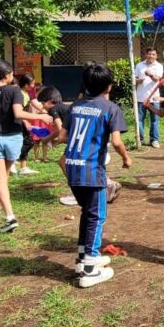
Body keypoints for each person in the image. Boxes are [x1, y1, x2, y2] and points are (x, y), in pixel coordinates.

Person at [58, 62, 132, 288]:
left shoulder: (75, 106)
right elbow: (117, 141)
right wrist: (126, 158)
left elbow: (62, 136)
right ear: (109, 86)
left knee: (87, 213)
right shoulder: (110, 108)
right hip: (92, 171)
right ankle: (89, 269)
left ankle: (83, 258)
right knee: (97, 216)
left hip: (72, 167)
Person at [0, 59, 45, 233]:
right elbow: (18, 113)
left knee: (0, 178)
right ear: (7, 75)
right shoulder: (14, 90)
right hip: (13, 138)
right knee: (4, 177)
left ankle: (9, 217)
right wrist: (42, 116)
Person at [134, 48, 164, 148]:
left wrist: (150, 74)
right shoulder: (139, 65)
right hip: (140, 97)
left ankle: (154, 140)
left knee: (155, 120)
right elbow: (134, 79)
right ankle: (140, 139)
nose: (151, 56)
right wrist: (138, 81)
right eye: (149, 54)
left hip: (154, 98)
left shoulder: (159, 66)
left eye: (153, 54)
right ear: (145, 55)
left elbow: (157, 79)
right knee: (139, 120)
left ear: (156, 56)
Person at [13, 73, 39, 176]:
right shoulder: (20, 94)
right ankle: (13, 161)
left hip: (22, 121)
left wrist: (44, 111)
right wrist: (25, 121)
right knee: (28, 142)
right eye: (32, 83)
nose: (34, 85)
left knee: (27, 142)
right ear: (26, 85)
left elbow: (34, 104)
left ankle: (23, 167)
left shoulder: (26, 93)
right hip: (18, 122)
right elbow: (19, 111)